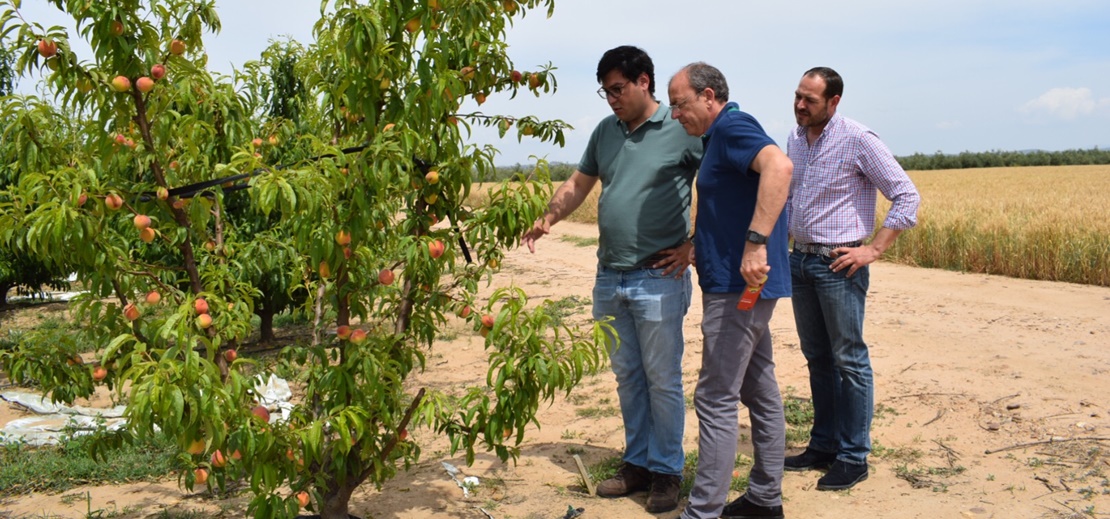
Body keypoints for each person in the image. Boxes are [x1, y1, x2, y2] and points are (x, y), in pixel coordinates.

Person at [522, 45, 702, 513]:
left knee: (662, 379)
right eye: (605, 92)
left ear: (644, 81)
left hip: (659, 276)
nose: (611, 100)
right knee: (627, 377)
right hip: (610, 277)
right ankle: (637, 463)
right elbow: (579, 183)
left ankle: (667, 472)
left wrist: (696, 244)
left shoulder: (681, 128)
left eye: (618, 89)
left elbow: (726, 183)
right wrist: (549, 217)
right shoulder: (606, 132)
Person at [784, 66, 921, 490]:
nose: (800, 105)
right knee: (818, 359)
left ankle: (853, 455)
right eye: (798, 96)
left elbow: (906, 195)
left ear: (834, 102)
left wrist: (874, 249)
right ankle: (823, 443)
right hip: (800, 262)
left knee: (849, 360)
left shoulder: (858, 139)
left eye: (810, 99)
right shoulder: (793, 138)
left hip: (837, 266)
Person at [667, 63, 791, 519]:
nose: (676, 113)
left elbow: (780, 166)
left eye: (680, 103)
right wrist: (700, 242)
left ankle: (703, 512)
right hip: (740, 284)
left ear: (709, 95)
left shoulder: (734, 125)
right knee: (759, 390)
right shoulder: (718, 136)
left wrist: (755, 244)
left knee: (715, 397)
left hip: (740, 288)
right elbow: (733, 200)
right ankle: (764, 498)